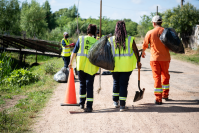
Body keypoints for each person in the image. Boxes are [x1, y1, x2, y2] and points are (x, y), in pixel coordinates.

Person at [108, 21, 140, 112]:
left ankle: (115, 102)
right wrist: (138, 62)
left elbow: (108, 52)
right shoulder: (130, 39)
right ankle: (122, 105)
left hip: (114, 66)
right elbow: (136, 51)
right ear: (124, 28)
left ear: (116, 29)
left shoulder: (111, 40)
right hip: (127, 67)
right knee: (123, 84)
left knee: (116, 82)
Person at [68, 24, 99, 112]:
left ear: (87, 30)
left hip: (81, 66)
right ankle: (89, 106)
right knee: (89, 86)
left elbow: (74, 52)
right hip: (91, 67)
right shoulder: (96, 41)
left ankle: (82, 103)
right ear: (94, 32)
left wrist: (70, 63)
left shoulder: (81, 39)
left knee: (82, 85)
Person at [142, 15, 170, 105]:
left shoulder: (150, 32)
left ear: (153, 23)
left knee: (157, 77)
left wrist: (143, 52)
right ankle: (165, 95)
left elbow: (145, 44)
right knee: (165, 75)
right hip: (165, 58)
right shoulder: (167, 32)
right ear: (161, 22)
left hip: (154, 59)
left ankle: (158, 99)